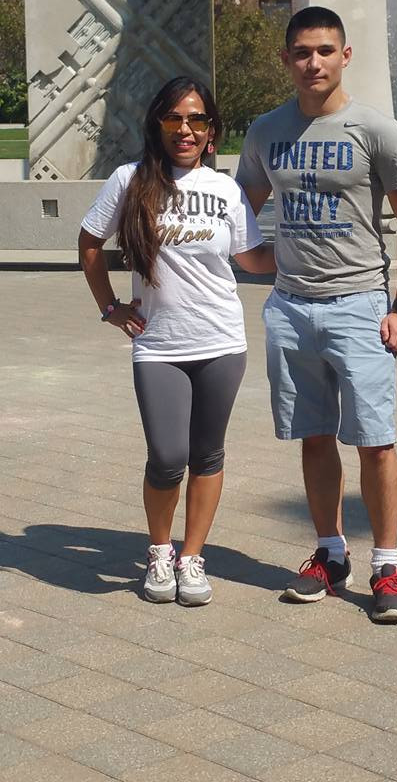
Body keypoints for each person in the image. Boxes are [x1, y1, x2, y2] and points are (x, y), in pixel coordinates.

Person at [236, 6, 397, 622]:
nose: (312, 62)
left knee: (375, 441)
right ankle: (329, 551)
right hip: (291, 309)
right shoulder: (267, 131)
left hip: (360, 306)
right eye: (301, 51)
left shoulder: (373, 128)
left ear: (345, 55)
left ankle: (389, 567)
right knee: (315, 437)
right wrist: (258, 260)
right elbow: (239, 209)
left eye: (324, 50)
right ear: (286, 59)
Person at [79, 76, 275, 607]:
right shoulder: (129, 181)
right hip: (159, 344)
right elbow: (90, 244)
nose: (185, 129)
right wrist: (110, 308)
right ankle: (159, 551)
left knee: (207, 454)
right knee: (167, 456)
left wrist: (306, 253)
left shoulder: (225, 189)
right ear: (158, 123)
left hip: (221, 341)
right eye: (175, 118)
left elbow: (251, 258)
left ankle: (192, 557)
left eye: (197, 120)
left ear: (212, 131)